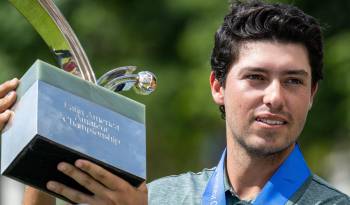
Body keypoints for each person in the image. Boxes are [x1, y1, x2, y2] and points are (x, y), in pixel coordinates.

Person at [0, 0, 350, 204]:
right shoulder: (158, 196)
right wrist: (33, 140)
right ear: (218, 86)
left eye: (293, 81)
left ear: (312, 94)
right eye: (256, 77)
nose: (275, 97)